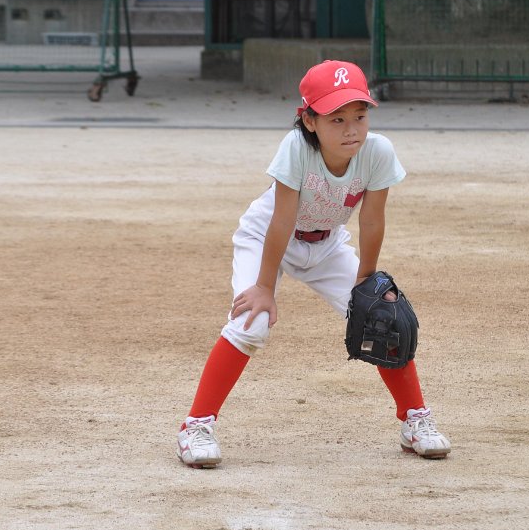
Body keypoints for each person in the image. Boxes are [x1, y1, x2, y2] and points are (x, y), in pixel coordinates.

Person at [176, 60, 451, 468]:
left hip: (327, 244)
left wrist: (366, 282)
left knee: (385, 317)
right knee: (251, 322)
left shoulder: (377, 151)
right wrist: (264, 288)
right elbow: (281, 220)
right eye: (336, 119)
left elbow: (372, 220)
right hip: (268, 238)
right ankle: (196, 426)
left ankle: (415, 420)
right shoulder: (296, 149)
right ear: (309, 121)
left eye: (359, 116)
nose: (351, 129)